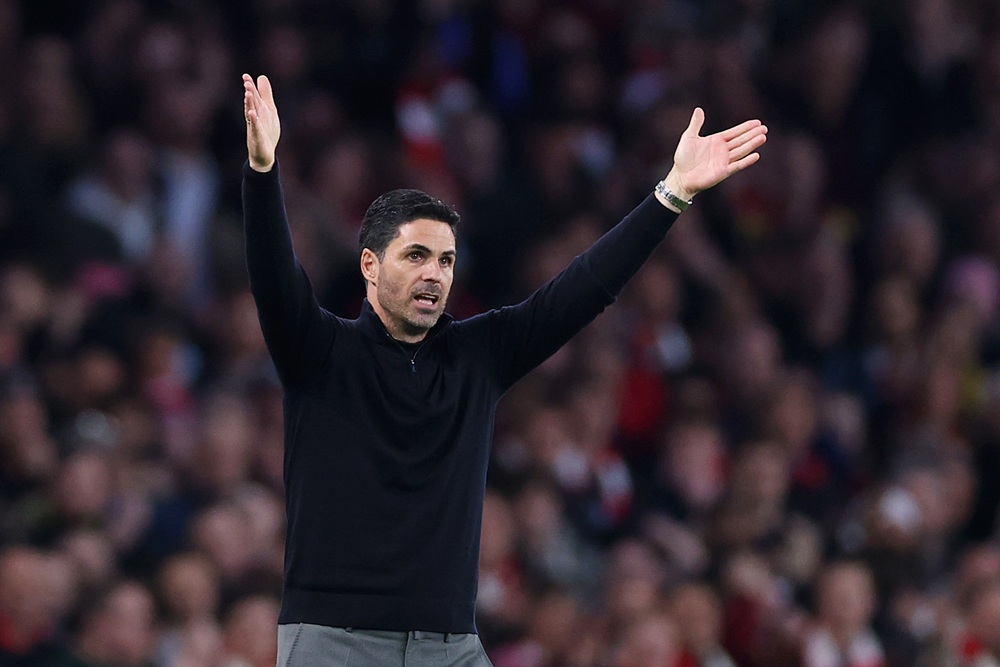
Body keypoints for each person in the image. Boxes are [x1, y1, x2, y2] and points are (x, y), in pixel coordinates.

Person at [241, 72, 767, 667]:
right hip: (334, 644)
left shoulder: (479, 355)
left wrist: (670, 194)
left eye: (445, 260)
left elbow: (582, 289)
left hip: (451, 647)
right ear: (368, 264)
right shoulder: (319, 351)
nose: (435, 274)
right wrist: (262, 172)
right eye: (415, 256)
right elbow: (273, 277)